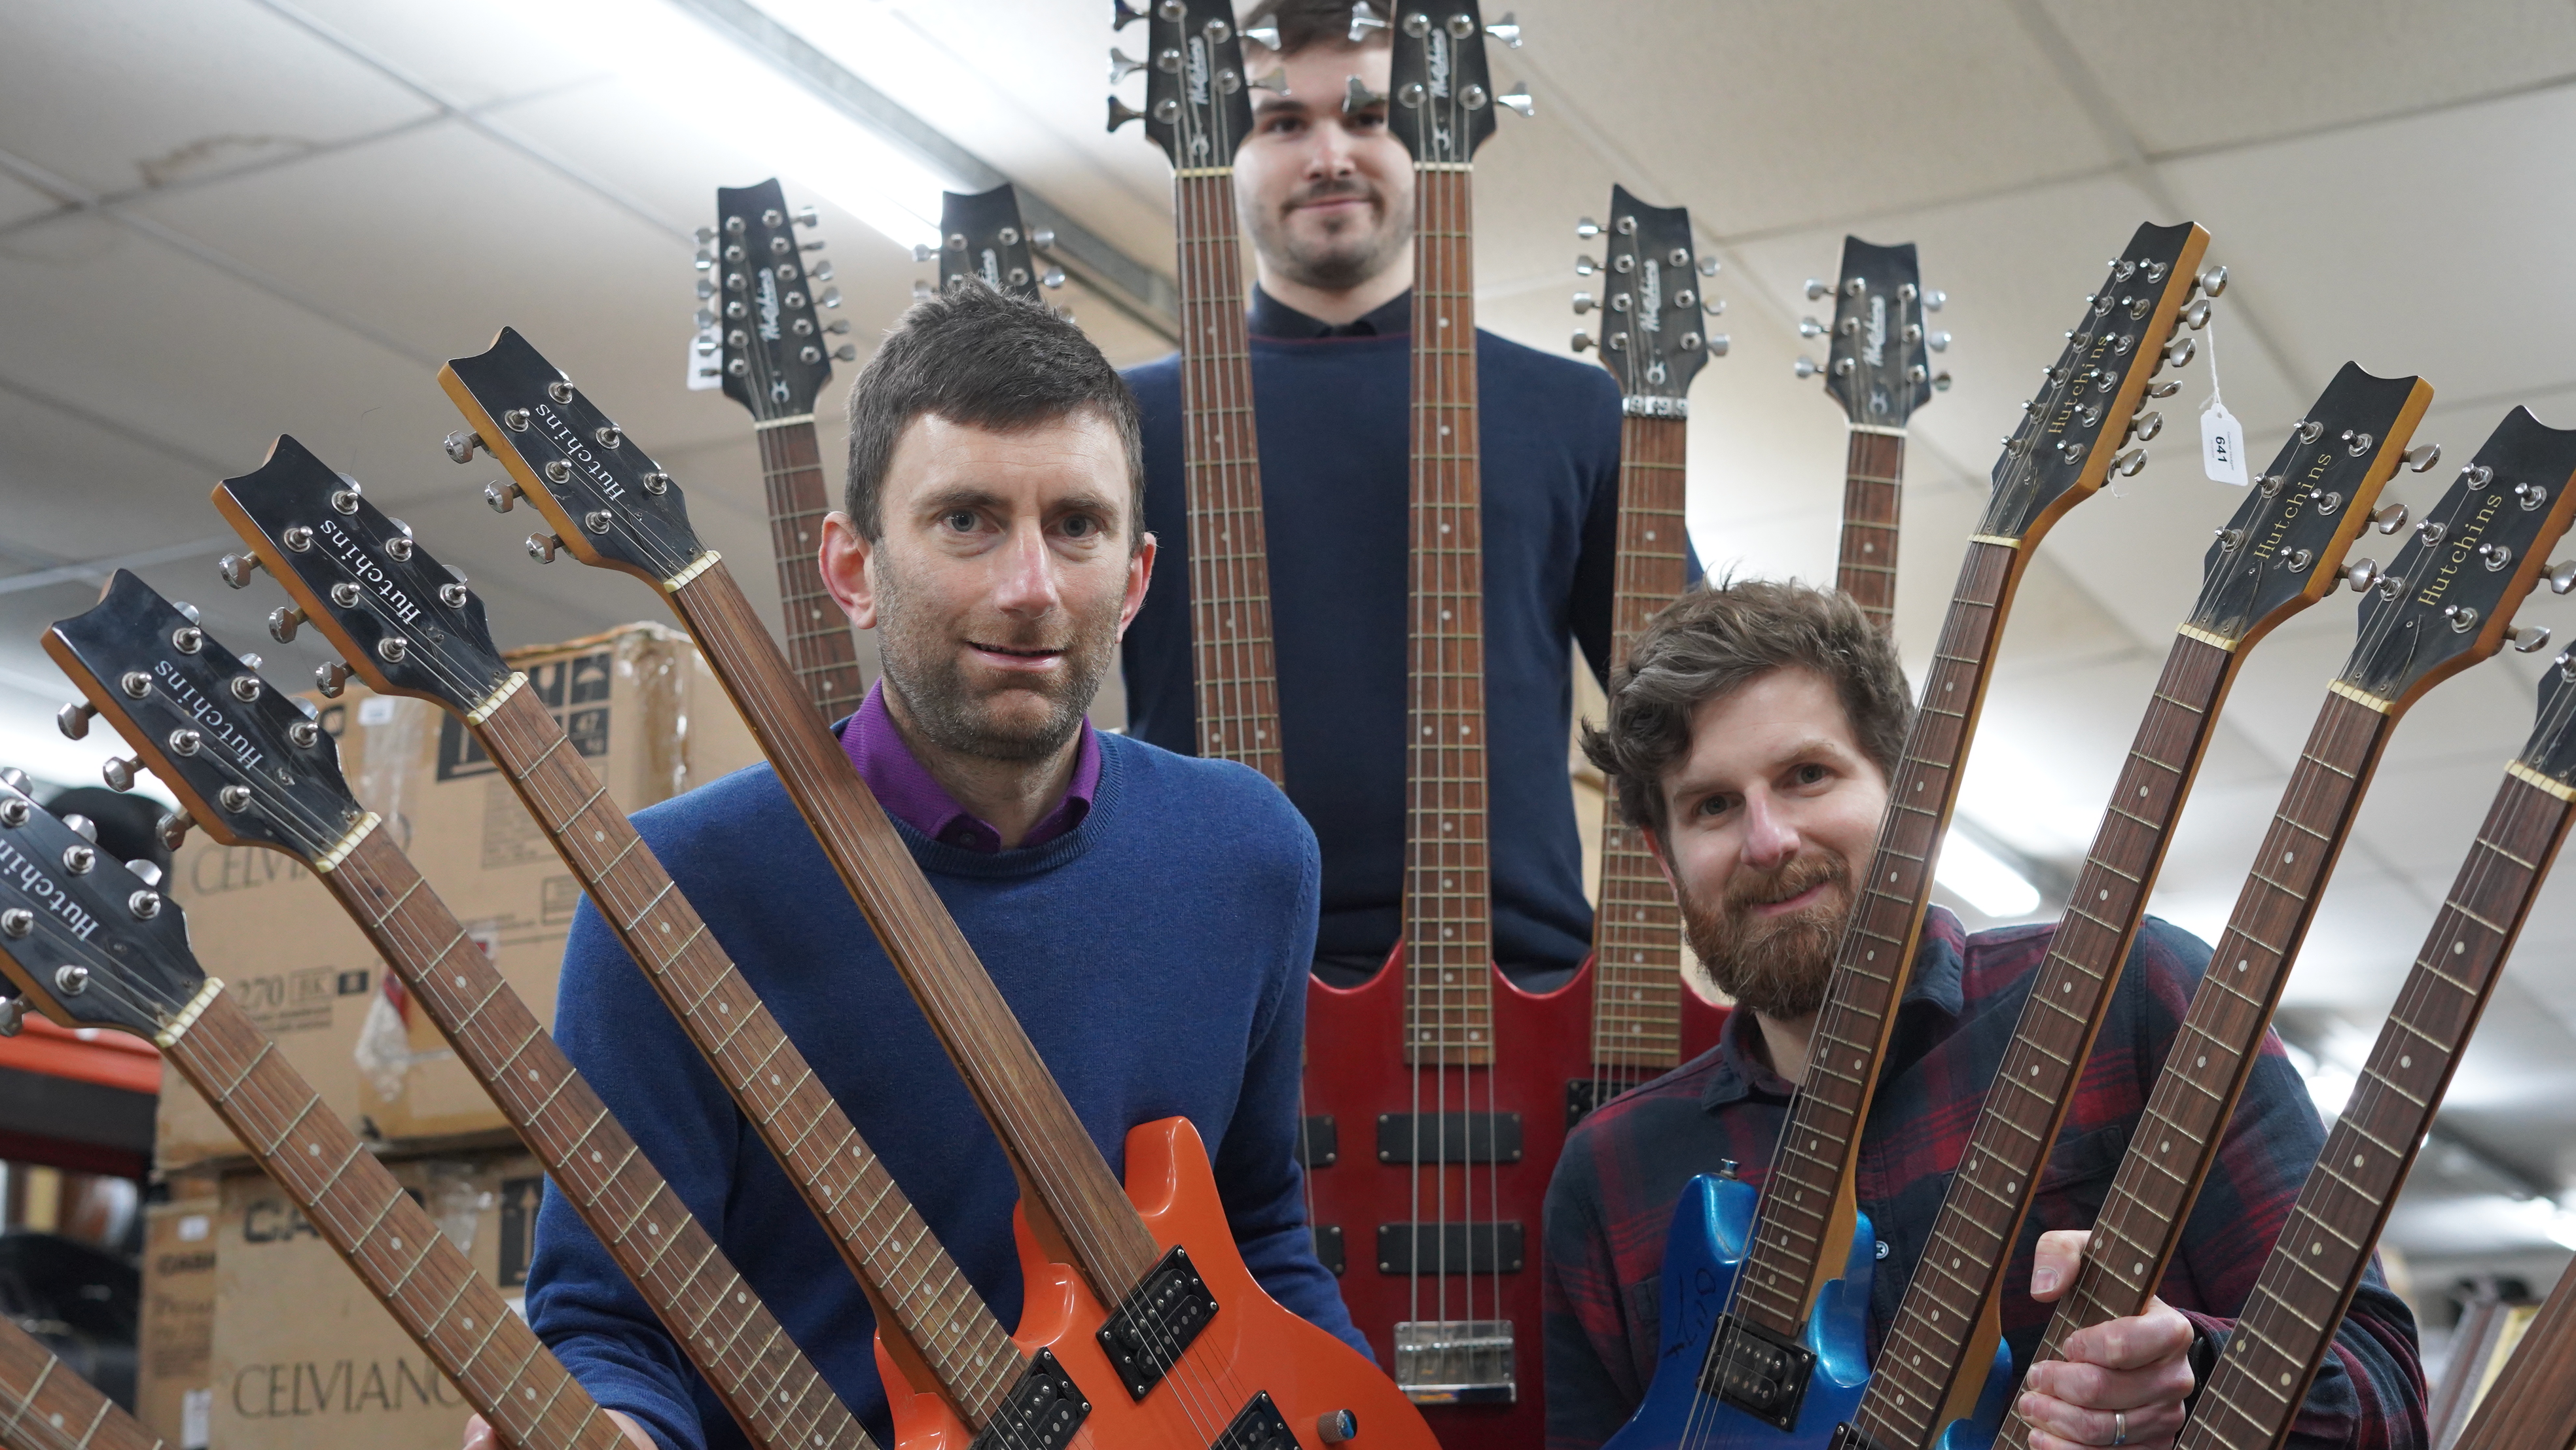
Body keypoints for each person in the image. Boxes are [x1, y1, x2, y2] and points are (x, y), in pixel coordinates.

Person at [469, 285, 1361, 1450]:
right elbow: (607, 1319)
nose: (1029, 587)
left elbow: (1257, 1232)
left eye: (1077, 526)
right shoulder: (673, 891)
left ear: (1137, 580)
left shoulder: (1250, 856)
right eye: (967, 521)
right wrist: (610, 1428)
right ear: (852, 567)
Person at [1541, 580, 2424, 1450]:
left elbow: (2386, 1396)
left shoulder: (2132, 998)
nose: (1769, 840)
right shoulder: (1612, 1171)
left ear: (1907, 792)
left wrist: (2195, 1373)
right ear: (1664, 857)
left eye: (1807, 776)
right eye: (1714, 806)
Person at [1119, 0, 1672, 988]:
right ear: (1222, 153)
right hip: (1209, 975)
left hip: (1522, 978)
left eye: (1369, 117)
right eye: (1283, 123)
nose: (1329, 153)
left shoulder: (1573, 409)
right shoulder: (1116, 425)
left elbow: (1692, 711)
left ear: (1432, 135)